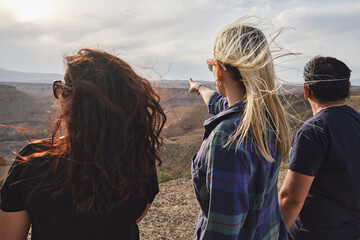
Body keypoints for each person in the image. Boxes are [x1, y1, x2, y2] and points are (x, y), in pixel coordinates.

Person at [0, 48, 166, 240]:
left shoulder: (33, 161)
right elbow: (136, 216)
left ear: (72, 100)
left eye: (61, 89)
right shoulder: (138, 156)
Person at [188, 20, 291, 239]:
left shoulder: (227, 137)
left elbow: (222, 232)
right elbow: (219, 103)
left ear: (219, 72)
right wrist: (200, 88)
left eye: (212, 65)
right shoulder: (266, 117)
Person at [279, 56, 360, 239]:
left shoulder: (312, 132)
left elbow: (291, 199)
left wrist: (273, 234)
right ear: (347, 88)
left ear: (306, 90)